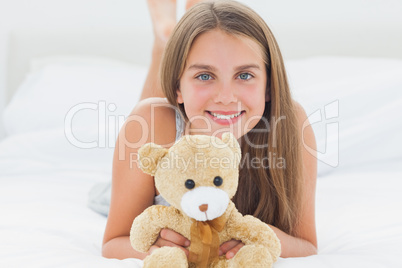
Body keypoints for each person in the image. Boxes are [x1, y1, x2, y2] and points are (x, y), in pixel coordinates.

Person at [102, 0, 318, 260]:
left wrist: (259, 237)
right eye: (205, 75)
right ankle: (163, 44)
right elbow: (114, 242)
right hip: (134, 176)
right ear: (177, 87)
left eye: (245, 75)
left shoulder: (291, 123)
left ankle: (179, 32)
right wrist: (153, 248)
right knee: (152, 111)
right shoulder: (148, 125)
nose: (226, 97)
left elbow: (307, 245)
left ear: (269, 85)